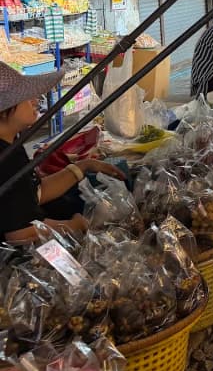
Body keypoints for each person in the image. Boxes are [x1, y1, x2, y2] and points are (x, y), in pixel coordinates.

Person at [0, 63, 125, 243]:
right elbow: (19, 235)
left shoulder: (12, 142)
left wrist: (83, 166)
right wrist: (74, 226)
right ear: (4, 112)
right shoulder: (5, 161)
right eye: (25, 98)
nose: (36, 101)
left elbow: (32, 194)